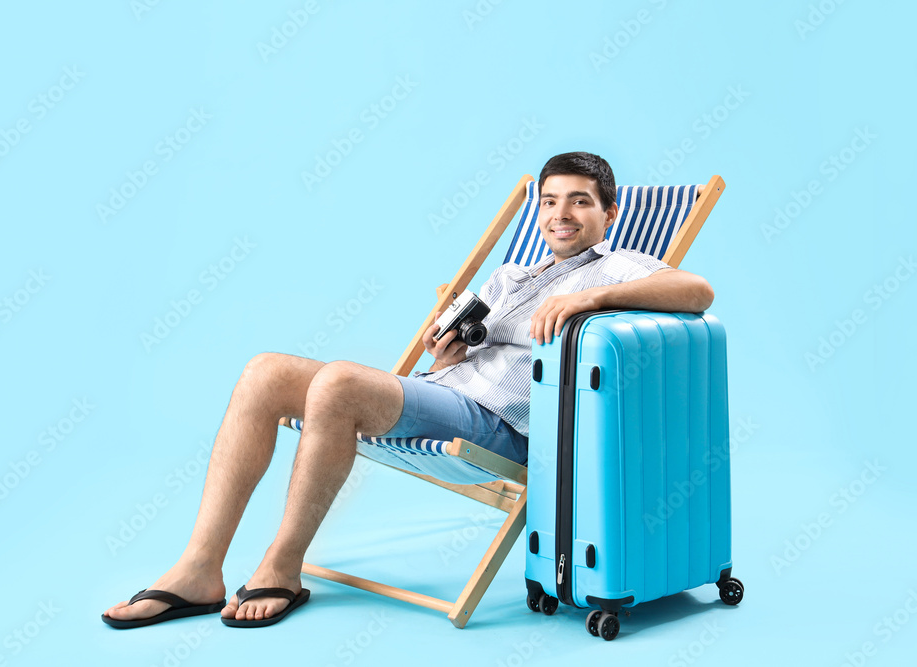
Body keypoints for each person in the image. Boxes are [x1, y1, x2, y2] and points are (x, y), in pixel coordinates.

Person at [101, 151, 714, 628]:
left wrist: (592, 296)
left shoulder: (621, 265)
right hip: (440, 392)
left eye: (580, 202)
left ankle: (280, 569)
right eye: (550, 200)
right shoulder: (512, 274)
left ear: (607, 214)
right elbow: (474, 342)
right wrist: (450, 351)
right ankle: (199, 570)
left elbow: (697, 294)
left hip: (498, 425)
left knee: (339, 384)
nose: (561, 213)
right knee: (264, 371)